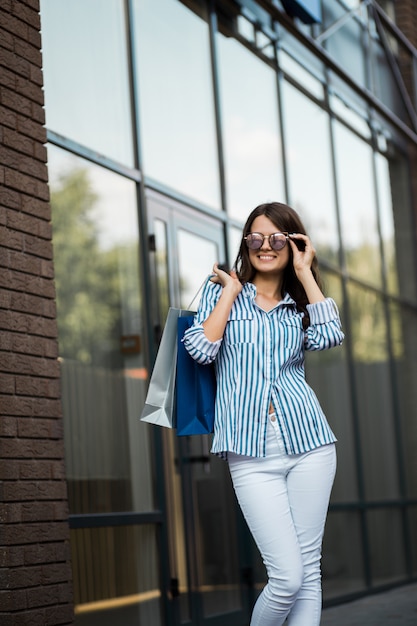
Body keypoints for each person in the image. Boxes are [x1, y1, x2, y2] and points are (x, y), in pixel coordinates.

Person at [183, 201, 344, 625]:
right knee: (287, 577)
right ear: (245, 243)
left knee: (308, 571)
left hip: (310, 443)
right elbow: (200, 349)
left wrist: (307, 272)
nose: (265, 246)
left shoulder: (297, 302)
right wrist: (232, 293)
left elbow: (330, 335)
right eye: (256, 237)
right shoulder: (222, 293)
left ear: (293, 243)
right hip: (250, 453)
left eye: (277, 238)